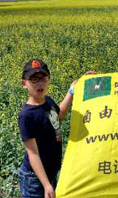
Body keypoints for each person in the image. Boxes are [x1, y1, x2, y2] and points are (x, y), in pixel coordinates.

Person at [18, 59, 85, 198]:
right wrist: (46, 184)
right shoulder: (27, 115)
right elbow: (33, 154)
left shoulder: (48, 101)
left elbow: (59, 115)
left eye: (43, 78)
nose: (39, 83)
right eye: (34, 79)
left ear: (49, 80)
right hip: (35, 178)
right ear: (24, 83)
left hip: (50, 171)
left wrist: (72, 90)